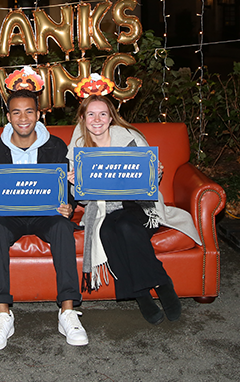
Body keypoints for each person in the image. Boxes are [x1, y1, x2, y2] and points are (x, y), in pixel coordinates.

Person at [66, 79, 201, 325]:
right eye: (91, 114)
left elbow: (147, 185)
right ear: (83, 118)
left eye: (103, 114)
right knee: (108, 230)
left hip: (137, 205)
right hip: (102, 209)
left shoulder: (130, 137)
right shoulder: (77, 147)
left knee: (126, 226)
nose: (97, 120)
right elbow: (84, 200)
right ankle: (142, 295)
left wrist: (155, 172)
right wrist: (76, 184)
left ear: (111, 116)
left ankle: (161, 284)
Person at [0, 87, 87, 351]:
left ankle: (67, 311)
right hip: (9, 216)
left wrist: (68, 206)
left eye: (29, 111)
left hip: (45, 214)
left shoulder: (55, 146)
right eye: (16, 112)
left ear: (38, 114)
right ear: (8, 116)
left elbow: (67, 188)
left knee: (63, 227)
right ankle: (3, 314)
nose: (23, 117)